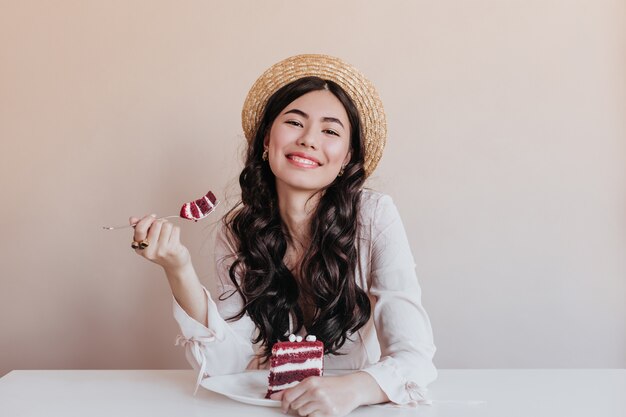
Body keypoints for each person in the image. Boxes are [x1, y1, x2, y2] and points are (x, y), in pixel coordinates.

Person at [129, 54, 437, 417]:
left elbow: (415, 357)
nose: (308, 140)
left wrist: (352, 389)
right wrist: (178, 270)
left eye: (330, 131)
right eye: (294, 122)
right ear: (265, 140)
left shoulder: (373, 216)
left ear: (346, 158)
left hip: (359, 409)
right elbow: (228, 365)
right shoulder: (240, 230)